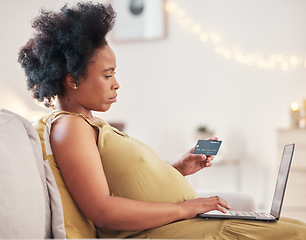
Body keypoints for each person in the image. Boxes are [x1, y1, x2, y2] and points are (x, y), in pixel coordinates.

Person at [18, 2, 306, 239]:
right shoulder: (70, 127)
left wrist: (177, 168)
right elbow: (102, 209)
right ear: (73, 80)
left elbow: (123, 184)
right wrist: (187, 208)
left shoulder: (90, 125)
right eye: (107, 75)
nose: (116, 84)